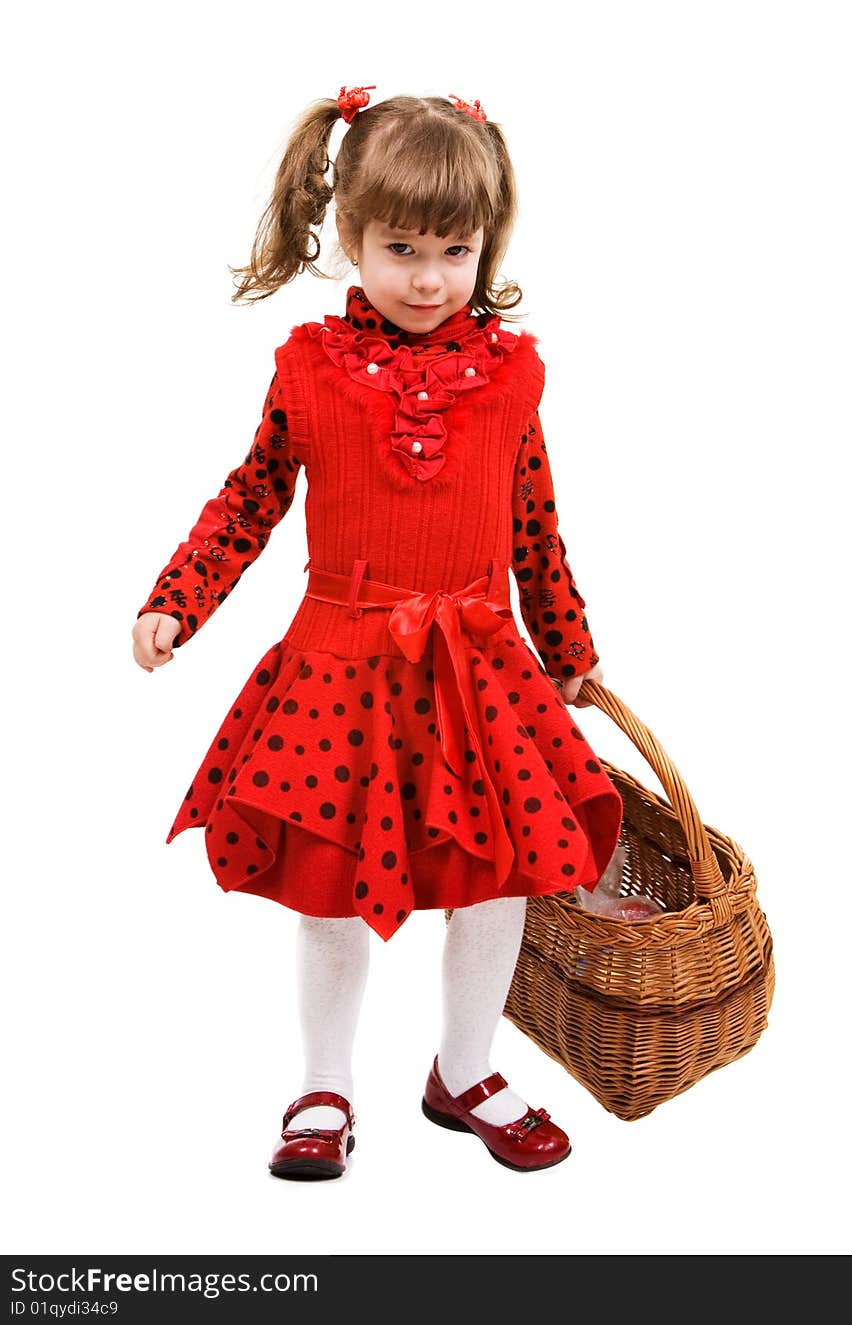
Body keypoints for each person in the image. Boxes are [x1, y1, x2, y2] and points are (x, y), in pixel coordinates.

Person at [131, 86, 624, 1181]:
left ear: (484, 243)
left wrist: (568, 642)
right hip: (340, 670)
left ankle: (466, 1067)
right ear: (347, 236)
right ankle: (323, 1080)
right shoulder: (308, 368)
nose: (428, 275)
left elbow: (534, 525)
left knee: (497, 878)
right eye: (400, 246)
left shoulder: (512, 376)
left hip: (480, 671)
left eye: (455, 248)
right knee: (327, 883)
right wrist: (179, 597)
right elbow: (250, 498)